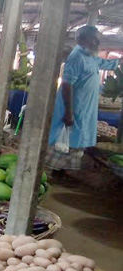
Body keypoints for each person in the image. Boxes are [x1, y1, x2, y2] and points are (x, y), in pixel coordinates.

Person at [45, 26, 119, 174]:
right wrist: (68, 112)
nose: (98, 42)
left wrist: (119, 62)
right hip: (75, 107)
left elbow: (106, 63)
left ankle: (64, 171)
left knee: (76, 141)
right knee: (66, 140)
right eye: (94, 39)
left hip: (85, 107)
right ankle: (54, 172)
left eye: (98, 39)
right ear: (82, 40)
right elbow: (67, 84)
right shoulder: (76, 57)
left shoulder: (90, 56)